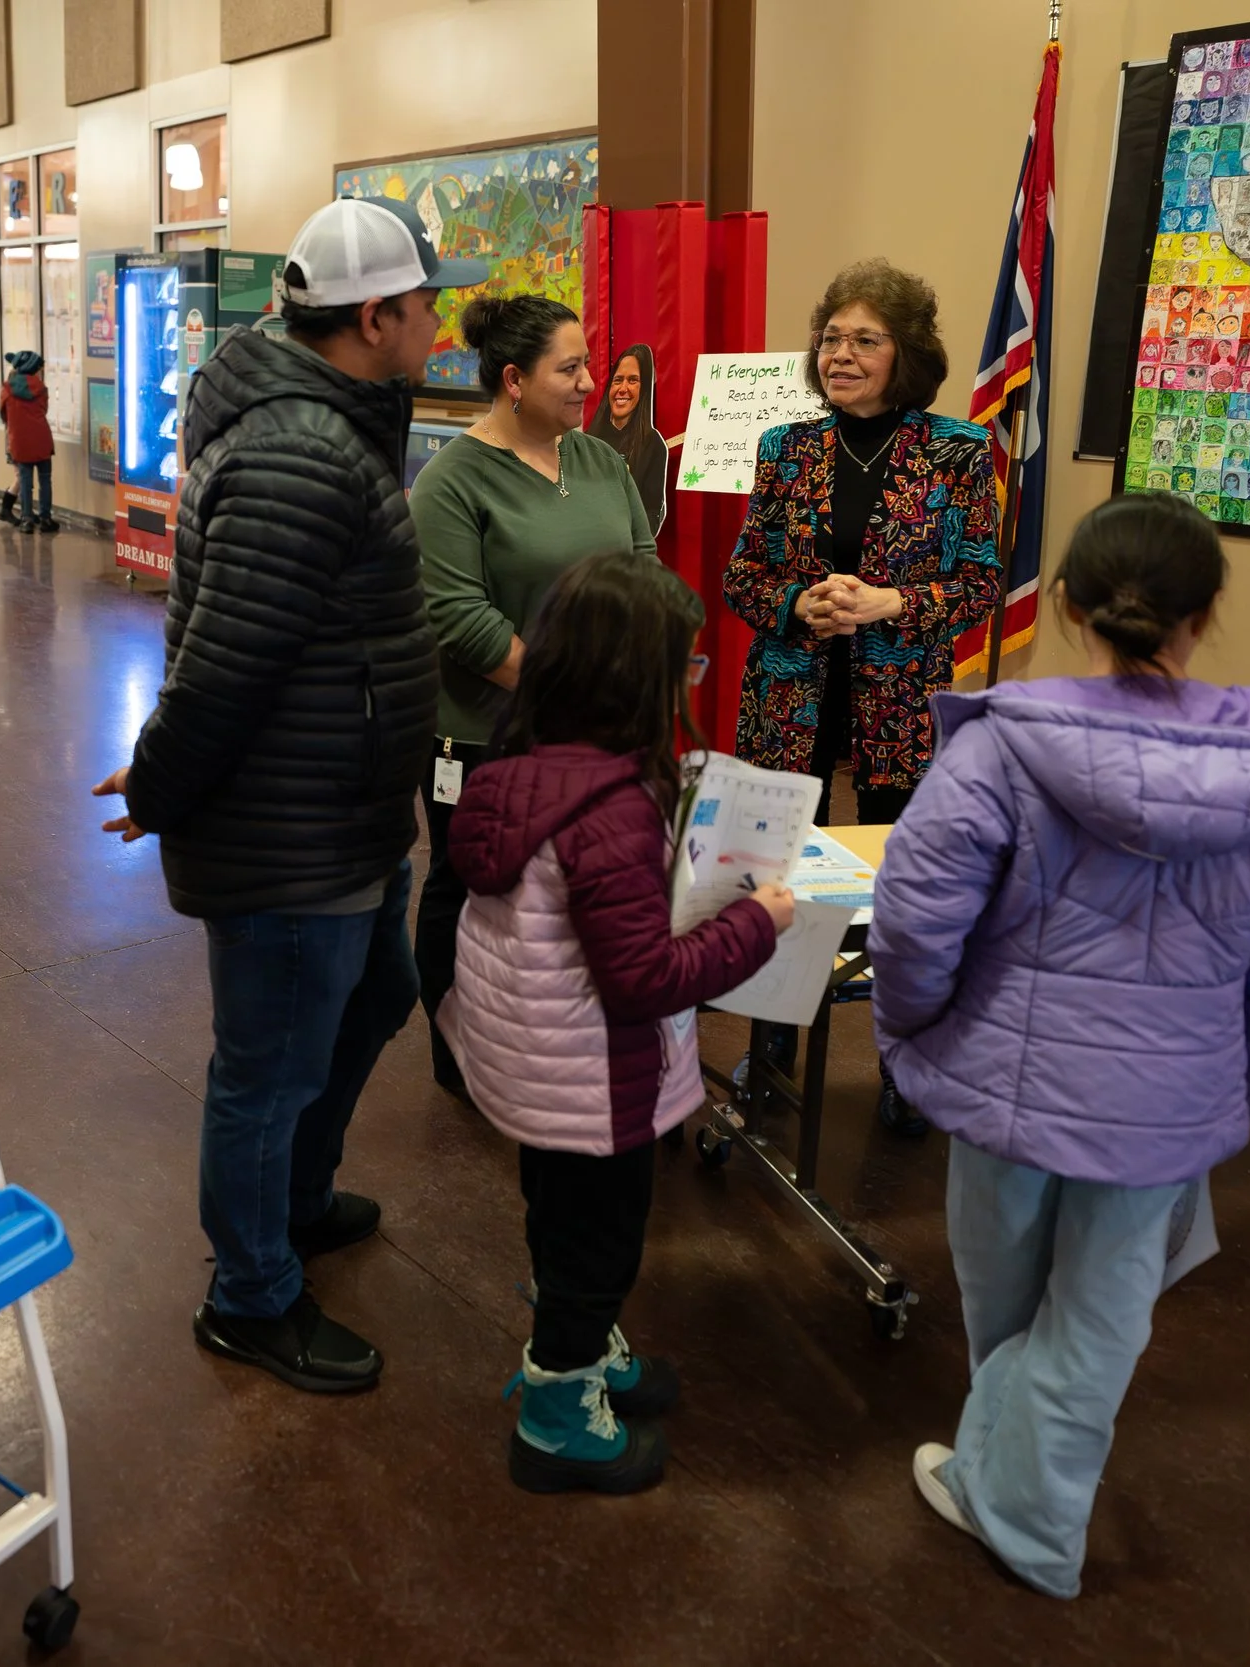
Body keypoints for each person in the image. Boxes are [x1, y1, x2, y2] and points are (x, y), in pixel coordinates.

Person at [868, 494, 1250, 1601]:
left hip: (1005, 1083)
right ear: (1208, 609)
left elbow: (913, 918)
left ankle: (1015, 1503)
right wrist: (1249, 1088)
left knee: (1006, 1294)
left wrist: (916, 1034)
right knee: (1100, 1314)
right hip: (1168, 1105)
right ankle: (1025, 1506)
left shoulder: (1001, 746)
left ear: (1073, 607)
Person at [91, 195, 485, 1394]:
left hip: (343, 811)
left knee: (375, 994)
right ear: (375, 318)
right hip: (291, 830)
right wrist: (160, 783)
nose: (440, 322)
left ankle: (294, 1203)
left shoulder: (332, 421)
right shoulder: (297, 454)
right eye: (428, 304)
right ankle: (250, 1293)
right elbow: (226, 663)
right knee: (265, 1067)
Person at [439, 555, 788, 1495]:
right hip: (593, 1081)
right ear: (635, 679)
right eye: (687, 666)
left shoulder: (523, 768)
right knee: (601, 1241)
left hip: (535, 1068)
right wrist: (758, 921)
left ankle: (584, 1341)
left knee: (561, 1221)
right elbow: (642, 980)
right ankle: (557, 1416)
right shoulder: (613, 812)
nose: (693, 683)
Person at [721, 258, 1000, 1134]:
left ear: (905, 354)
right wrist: (797, 603)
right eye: (831, 337)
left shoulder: (957, 452)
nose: (840, 354)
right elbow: (743, 574)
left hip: (900, 703)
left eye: (864, 340)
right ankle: (769, 1040)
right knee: (776, 880)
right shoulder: (786, 448)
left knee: (905, 892)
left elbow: (981, 583)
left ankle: (902, 1058)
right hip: (789, 696)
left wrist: (894, 603)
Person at [409, 295, 686, 1098]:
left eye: (587, 364)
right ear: (512, 380)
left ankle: (538, 1040)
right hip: (483, 733)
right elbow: (460, 617)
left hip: (598, 729)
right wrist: (571, 694)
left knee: (563, 891)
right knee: (469, 888)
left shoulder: (597, 461)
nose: (589, 383)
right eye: (569, 368)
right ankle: (458, 1045)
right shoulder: (453, 480)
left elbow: (642, 566)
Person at [584, 343, 668, 534]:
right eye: (618, 380)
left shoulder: (653, 444)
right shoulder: (588, 440)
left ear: (644, 389)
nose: (622, 388)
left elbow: (652, 516)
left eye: (632, 380)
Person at [1, 348, 55, 532]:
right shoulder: (41, 388)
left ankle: (27, 520)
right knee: (45, 480)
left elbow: (4, 416)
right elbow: (44, 410)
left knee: (25, 482)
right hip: (41, 439)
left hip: (20, 442)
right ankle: (46, 519)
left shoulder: (7, 389)